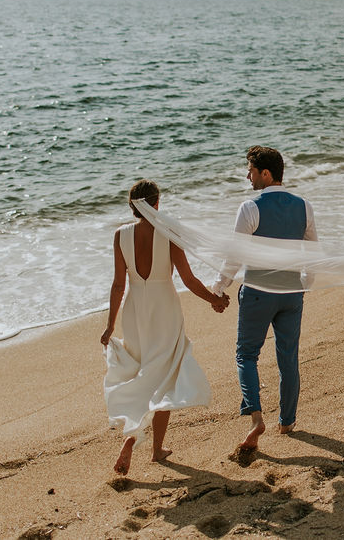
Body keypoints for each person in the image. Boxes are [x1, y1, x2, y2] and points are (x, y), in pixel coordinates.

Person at [101, 179, 229, 475]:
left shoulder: (120, 235)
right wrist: (215, 300)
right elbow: (188, 279)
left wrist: (110, 326)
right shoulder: (168, 233)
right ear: (157, 203)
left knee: (143, 371)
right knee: (166, 373)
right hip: (164, 308)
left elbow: (118, 284)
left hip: (135, 310)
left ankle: (148, 444)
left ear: (132, 206)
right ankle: (145, 445)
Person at [212, 146, 318, 454]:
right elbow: (312, 252)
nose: (248, 175)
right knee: (288, 357)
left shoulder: (249, 208)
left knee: (246, 355)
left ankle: (257, 418)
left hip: (259, 293)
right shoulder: (304, 206)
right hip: (291, 295)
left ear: (266, 173)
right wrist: (304, 284)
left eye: (251, 170)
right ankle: (287, 421)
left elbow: (234, 256)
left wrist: (219, 288)